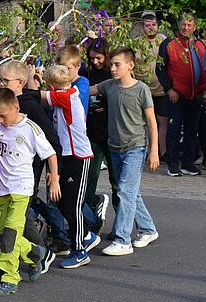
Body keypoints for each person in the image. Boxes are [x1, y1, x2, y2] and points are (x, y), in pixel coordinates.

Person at [0, 88, 60, 296]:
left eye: (3, 115)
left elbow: (50, 153)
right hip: (1, 189)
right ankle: (34, 253)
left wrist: (55, 178)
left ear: (16, 107)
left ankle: (9, 277)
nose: (0, 120)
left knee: (10, 233)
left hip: (22, 188)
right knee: (1, 231)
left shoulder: (30, 129)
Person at [91, 47, 160, 256]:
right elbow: (89, 89)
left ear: (130, 66)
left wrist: (154, 150)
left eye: (117, 64)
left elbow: (151, 121)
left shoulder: (141, 90)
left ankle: (123, 240)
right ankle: (148, 229)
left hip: (135, 147)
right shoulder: (109, 86)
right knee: (130, 192)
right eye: (111, 64)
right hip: (115, 147)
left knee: (124, 191)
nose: (112, 68)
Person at [39, 65, 99, 268]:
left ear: (53, 86)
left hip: (78, 157)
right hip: (64, 155)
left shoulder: (66, 96)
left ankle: (80, 250)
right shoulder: (62, 94)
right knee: (61, 203)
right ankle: (85, 234)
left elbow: (35, 96)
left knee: (72, 205)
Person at [156, 13, 205, 176]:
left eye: (189, 25)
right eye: (183, 24)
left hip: (196, 96)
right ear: (179, 25)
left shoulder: (200, 45)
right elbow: (160, 69)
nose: (186, 27)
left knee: (192, 131)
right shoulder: (169, 44)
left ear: (194, 27)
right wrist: (169, 89)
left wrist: (204, 91)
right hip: (176, 96)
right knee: (174, 130)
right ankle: (172, 164)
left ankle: (188, 163)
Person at [81, 39, 116, 234]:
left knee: (116, 180)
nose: (95, 62)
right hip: (91, 134)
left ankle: (120, 223)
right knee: (90, 177)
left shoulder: (110, 74)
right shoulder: (86, 73)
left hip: (111, 135)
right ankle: (88, 219)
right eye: (92, 58)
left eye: (99, 58)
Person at [139, 12, 169, 158]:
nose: (150, 27)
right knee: (147, 123)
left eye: (153, 24)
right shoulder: (137, 43)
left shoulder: (164, 41)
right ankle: (150, 151)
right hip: (144, 91)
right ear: (142, 27)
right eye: (147, 25)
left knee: (163, 121)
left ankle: (163, 152)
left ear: (158, 26)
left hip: (162, 90)